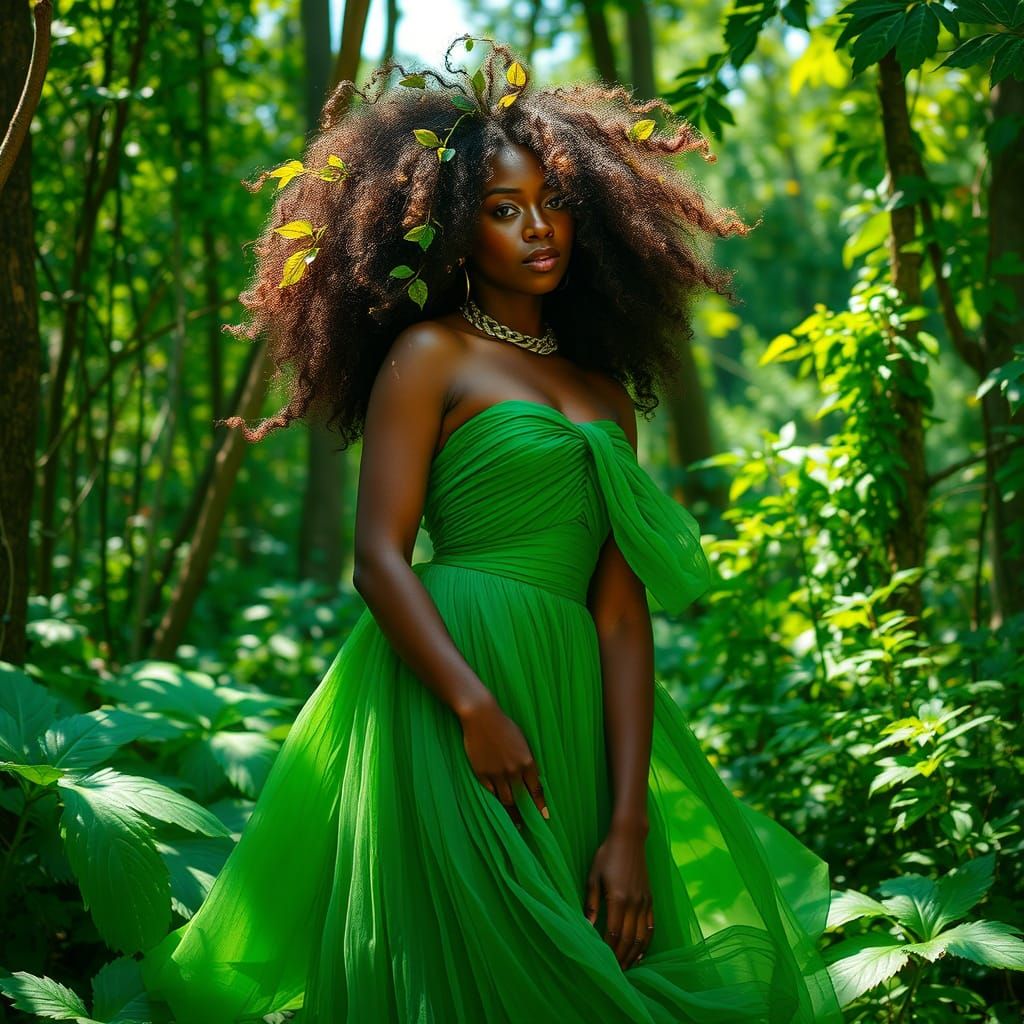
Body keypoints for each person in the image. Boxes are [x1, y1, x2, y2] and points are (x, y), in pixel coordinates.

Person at [139, 35, 844, 1024]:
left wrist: (630, 818)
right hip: (445, 688)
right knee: (467, 971)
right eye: (503, 211)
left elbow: (621, 613)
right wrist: (472, 708)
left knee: (591, 959)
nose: (536, 229)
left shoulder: (606, 396)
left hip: (573, 701)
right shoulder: (432, 355)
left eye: (552, 203)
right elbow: (379, 560)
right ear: (456, 229)